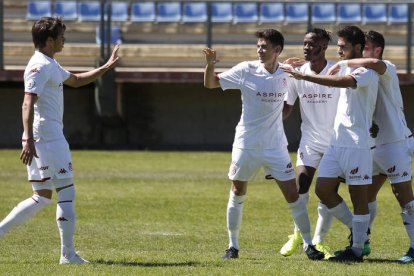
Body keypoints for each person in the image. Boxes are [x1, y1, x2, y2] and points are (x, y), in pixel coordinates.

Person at [0, 17, 120, 264]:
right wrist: (27, 138)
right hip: (47, 136)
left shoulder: (50, 63)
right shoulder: (39, 66)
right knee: (66, 191)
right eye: (61, 36)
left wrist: (105, 68)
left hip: (45, 135)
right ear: (50, 40)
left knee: (41, 196)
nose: (65, 40)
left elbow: (75, 80)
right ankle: (68, 256)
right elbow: (27, 101)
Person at [203, 29, 324, 260]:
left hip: (276, 146)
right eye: (258, 46)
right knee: (238, 190)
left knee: (293, 194)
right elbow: (210, 84)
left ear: (277, 50)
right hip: (246, 143)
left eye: (265, 47)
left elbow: (315, 76)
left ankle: (309, 245)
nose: (260, 50)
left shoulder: (288, 73)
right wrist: (210, 64)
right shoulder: (246, 69)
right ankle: (233, 246)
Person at [282, 25, 379, 262]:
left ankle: (350, 245)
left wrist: (306, 76)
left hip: (352, 143)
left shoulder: (360, 71)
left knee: (357, 197)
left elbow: (348, 83)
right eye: (339, 47)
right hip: (327, 142)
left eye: (342, 47)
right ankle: (307, 236)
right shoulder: (335, 67)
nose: (339, 52)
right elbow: (285, 106)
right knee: (317, 188)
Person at [327, 30, 414, 263]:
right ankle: (361, 242)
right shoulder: (359, 70)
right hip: (372, 143)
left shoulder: (386, 67)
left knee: (404, 196)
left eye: (366, 48)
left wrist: (344, 61)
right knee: (365, 195)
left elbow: (374, 63)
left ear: (377, 50)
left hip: (395, 141)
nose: (362, 52)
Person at [278, 28, 339, 259]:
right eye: (304, 43)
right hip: (310, 141)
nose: (306, 47)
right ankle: (299, 235)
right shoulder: (296, 74)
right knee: (300, 185)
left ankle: (320, 241)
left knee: (328, 192)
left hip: (336, 143)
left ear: (323, 47)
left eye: (311, 44)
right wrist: (267, 116)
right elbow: (286, 109)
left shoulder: (336, 69)